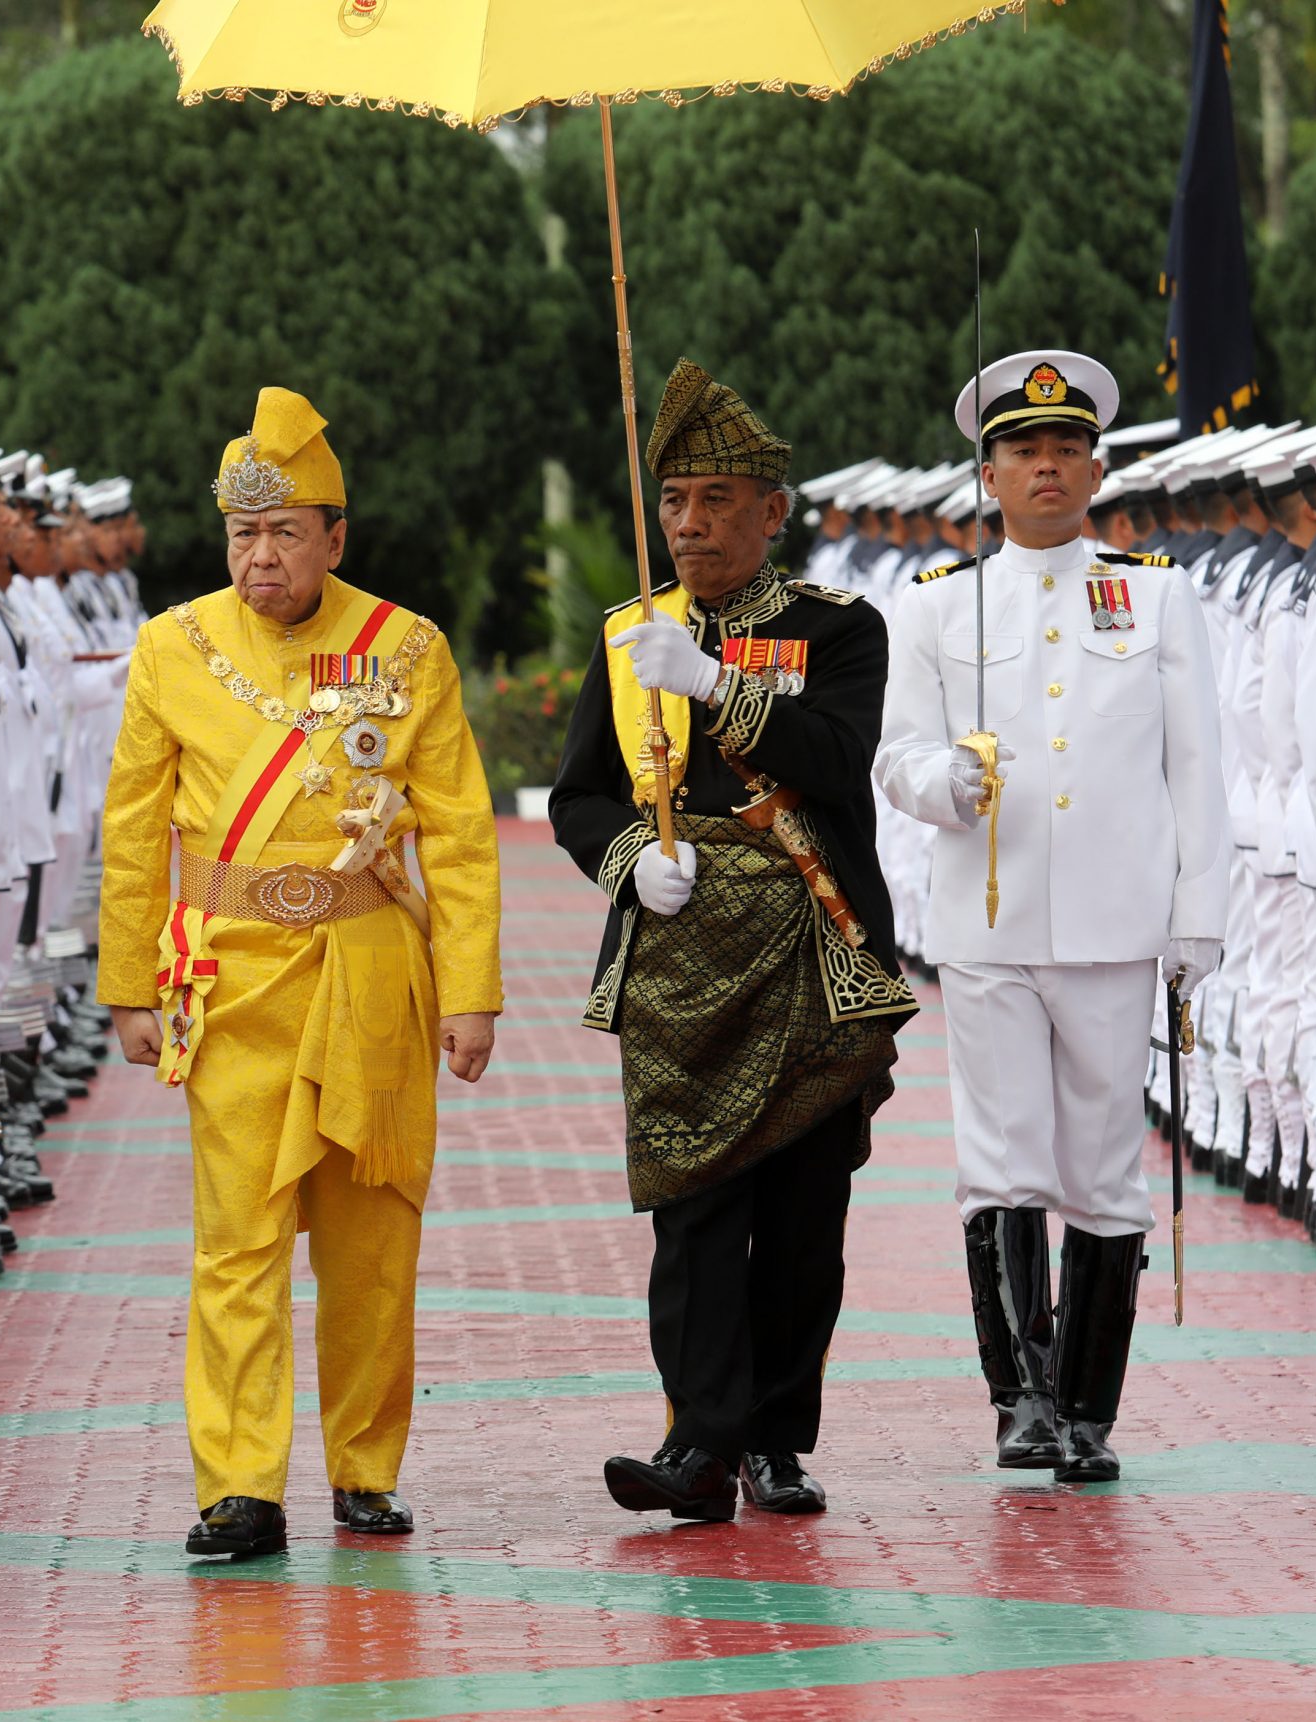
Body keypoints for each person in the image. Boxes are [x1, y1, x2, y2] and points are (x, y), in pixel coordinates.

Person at [98, 386, 502, 1558]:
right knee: (238, 1239)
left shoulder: (406, 647)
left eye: (284, 532)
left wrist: (469, 989)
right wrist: (129, 983)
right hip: (230, 977)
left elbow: (460, 829)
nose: (259, 554)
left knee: (375, 1236)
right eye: (241, 533)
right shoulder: (172, 647)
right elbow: (132, 827)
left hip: (370, 964)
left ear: (336, 535)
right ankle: (239, 1485)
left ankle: (365, 1470)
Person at [550, 362, 916, 1523]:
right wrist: (624, 862)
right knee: (693, 1214)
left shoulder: (838, 631)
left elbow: (833, 760)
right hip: (677, 955)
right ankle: (698, 1445)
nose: (691, 524)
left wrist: (710, 683)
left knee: (803, 1220)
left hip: (813, 949)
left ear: (773, 510)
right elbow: (577, 798)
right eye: (673, 503)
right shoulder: (628, 638)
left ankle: (777, 1439)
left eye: (716, 500)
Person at [875, 350, 1230, 1483]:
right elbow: (897, 758)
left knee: (1107, 1169)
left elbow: (1198, 768)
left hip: (1116, 919)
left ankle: (1088, 1408)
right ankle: (1018, 1398)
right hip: (987, 917)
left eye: (1065, 450)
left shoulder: (1156, 591)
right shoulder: (938, 604)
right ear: (985, 473)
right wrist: (947, 786)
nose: (1045, 467)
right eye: (1023, 451)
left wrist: (1197, 913)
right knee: (1003, 1159)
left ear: (1095, 468)